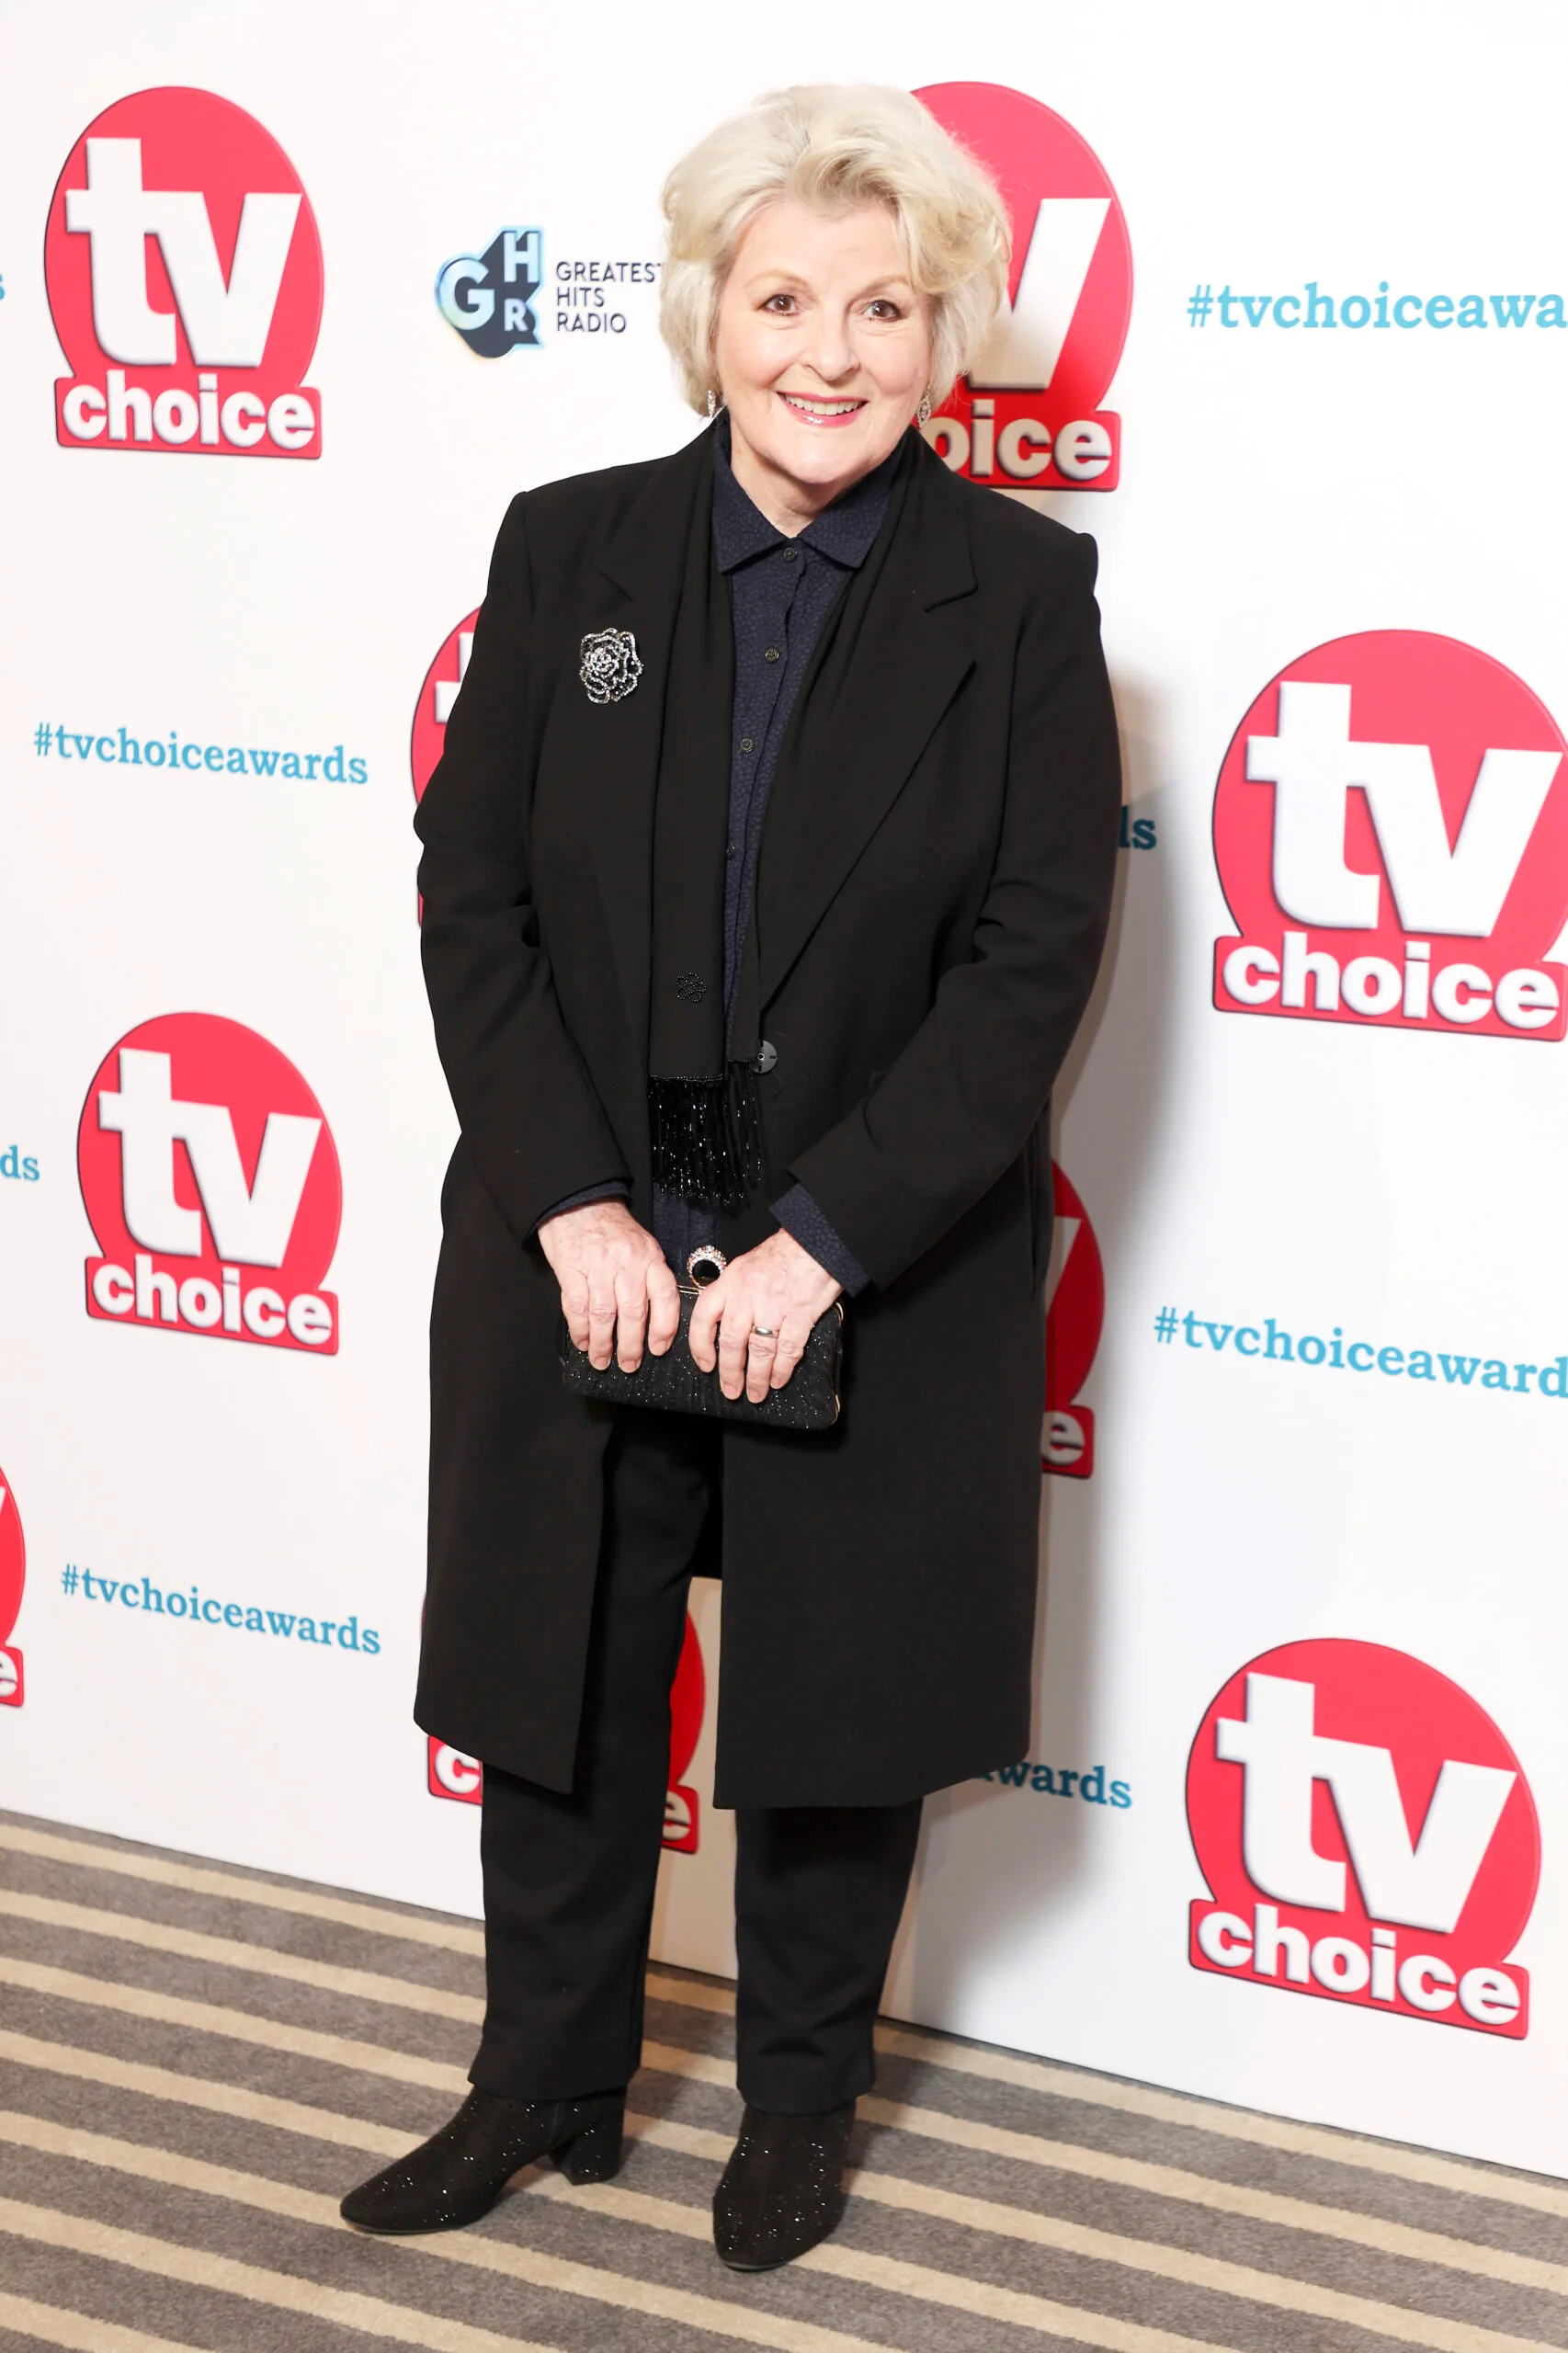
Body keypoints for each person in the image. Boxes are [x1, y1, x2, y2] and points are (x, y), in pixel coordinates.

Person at [342, 83, 1120, 2271]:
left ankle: (793, 2104)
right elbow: (474, 894)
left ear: (941, 331)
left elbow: (1030, 959)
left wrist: (826, 1239)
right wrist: (568, 1197)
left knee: (832, 1703)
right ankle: (540, 2074)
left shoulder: (1023, 593)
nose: (827, 352)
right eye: (782, 300)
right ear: (705, 314)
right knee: (555, 1672)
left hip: (868, 1251)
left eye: (881, 306)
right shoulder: (563, 546)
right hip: (583, 1224)